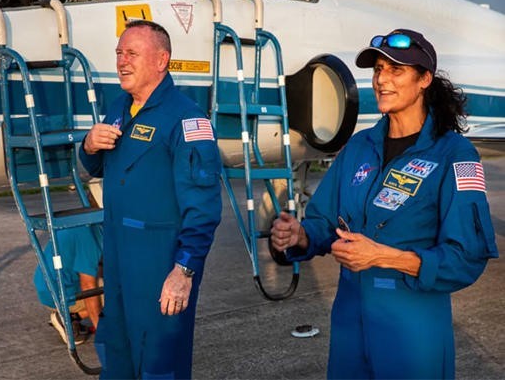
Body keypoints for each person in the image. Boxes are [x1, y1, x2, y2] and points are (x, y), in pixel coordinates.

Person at [270, 28, 499, 379]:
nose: (381, 80)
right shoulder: (359, 147)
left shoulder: (455, 154)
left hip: (411, 327)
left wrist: (382, 256)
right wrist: (299, 235)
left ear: (424, 79)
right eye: (378, 69)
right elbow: (324, 221)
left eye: (396, 70)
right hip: (350, 323)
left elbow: (466, 256)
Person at [79, 20, 222, 379]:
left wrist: (184, 270)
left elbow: (203, 207)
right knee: (119, 354)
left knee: (160, 364)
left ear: (161, 60)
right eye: (119, 53)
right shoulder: (119, 106)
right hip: (117, 257)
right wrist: (88, 145)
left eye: (131, 53)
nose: (121, 61)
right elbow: (99, 166)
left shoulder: (186, 119)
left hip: (160, 264)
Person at [33, 225, 103, 345]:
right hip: (60, 293)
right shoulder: (88, 237)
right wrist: (104, 336)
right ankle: (71, 318)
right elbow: (88, 285)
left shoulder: (84, 223)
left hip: (49, 287)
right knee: (122, 290)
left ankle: (72, 317)